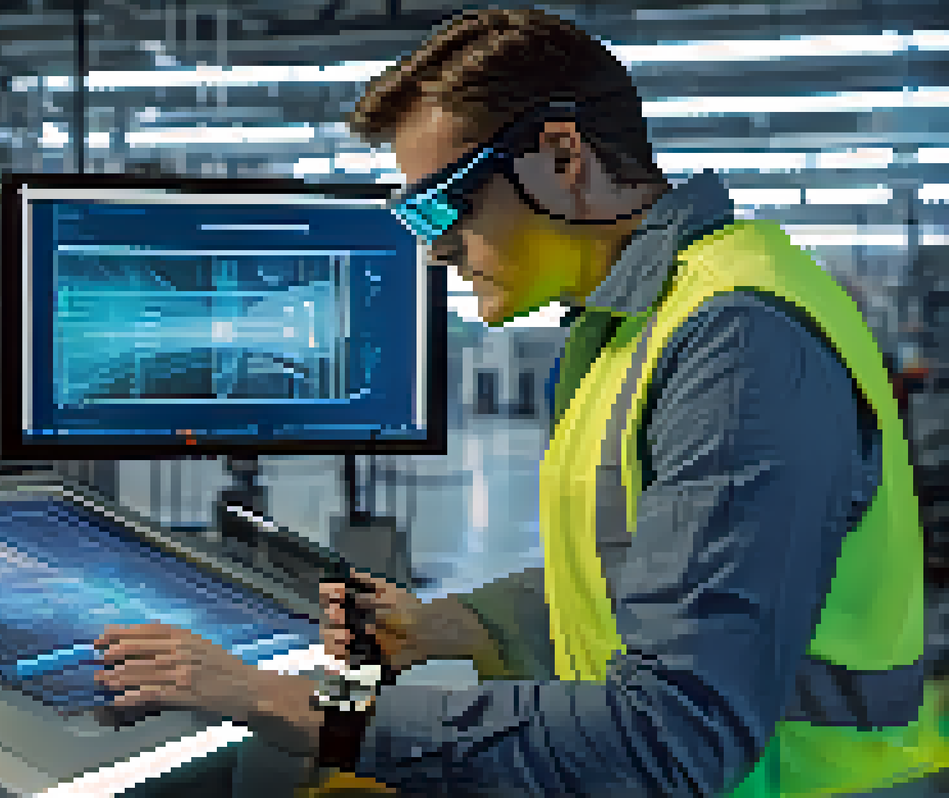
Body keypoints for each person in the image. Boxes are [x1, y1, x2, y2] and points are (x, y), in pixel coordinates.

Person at [95, 8, 946, 796]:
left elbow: (673, 736)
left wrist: (287, 703)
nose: (438, 250)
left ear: (563, 158)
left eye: (443, 204)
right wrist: (459, 625)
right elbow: (650, 577)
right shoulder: (632, 327)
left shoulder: (733, 341)